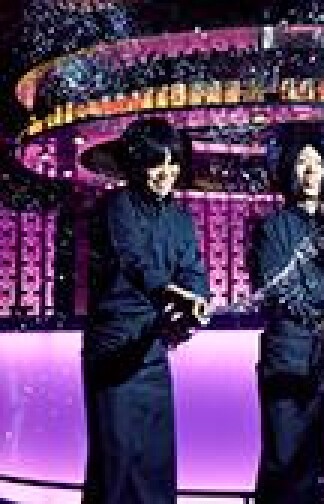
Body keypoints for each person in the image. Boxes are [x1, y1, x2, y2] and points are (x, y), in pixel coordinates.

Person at [82, 117, 210, 504]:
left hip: (152, 351)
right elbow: (134, 262)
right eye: (157, 163)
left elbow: (194, 271)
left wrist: (195, 305)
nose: (166, 173)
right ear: (138, 163)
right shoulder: (117, 206)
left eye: (173, 162)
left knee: (155, 463)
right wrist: (172, 295)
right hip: (114, 348)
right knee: (116, 464)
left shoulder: (181, 219)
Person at [249, 135, 324, 504]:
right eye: (302, 162)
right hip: (286, 361)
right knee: (283, 463)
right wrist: (321, 319)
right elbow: (275, 289)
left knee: (315, 466)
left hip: (321, 364)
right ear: (289, 171)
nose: (311, 170)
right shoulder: (271, 229)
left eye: (317, 162)